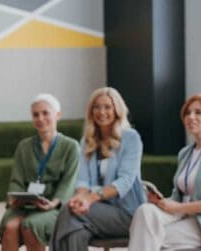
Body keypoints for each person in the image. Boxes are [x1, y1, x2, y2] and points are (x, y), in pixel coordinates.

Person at [128, 94, 201, 251]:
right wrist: (161, 201)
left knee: (149, 234)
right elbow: (177, 196)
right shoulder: (185, 153)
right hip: (182, 215)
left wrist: (178, 208)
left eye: (198, 112)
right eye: (187, 113)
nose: (191, 117)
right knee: (145, 211)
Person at [49, 87, 146, 251]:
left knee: (68, 212)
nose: (101, 112)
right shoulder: (87, 141)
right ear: (91, 111)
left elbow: (125, 181)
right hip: (96, 211)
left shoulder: (131, 138)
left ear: (117, 110)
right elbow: (82, 180)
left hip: (127, 213)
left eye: (107, 107)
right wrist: (79, 198)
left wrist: (90, 199)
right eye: (97, 107)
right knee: (76, 232)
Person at [0, 94, 80, 251]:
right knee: (10, 226)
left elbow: (69, 183)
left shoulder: (71, 147)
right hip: (25, 205)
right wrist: (15, 199)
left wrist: (54, 203)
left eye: (45, 113)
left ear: (58, 115)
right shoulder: (24, 146)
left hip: (55, 206)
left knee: (31, 226)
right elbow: (16, 180)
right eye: (35, 114)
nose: (40, 118)